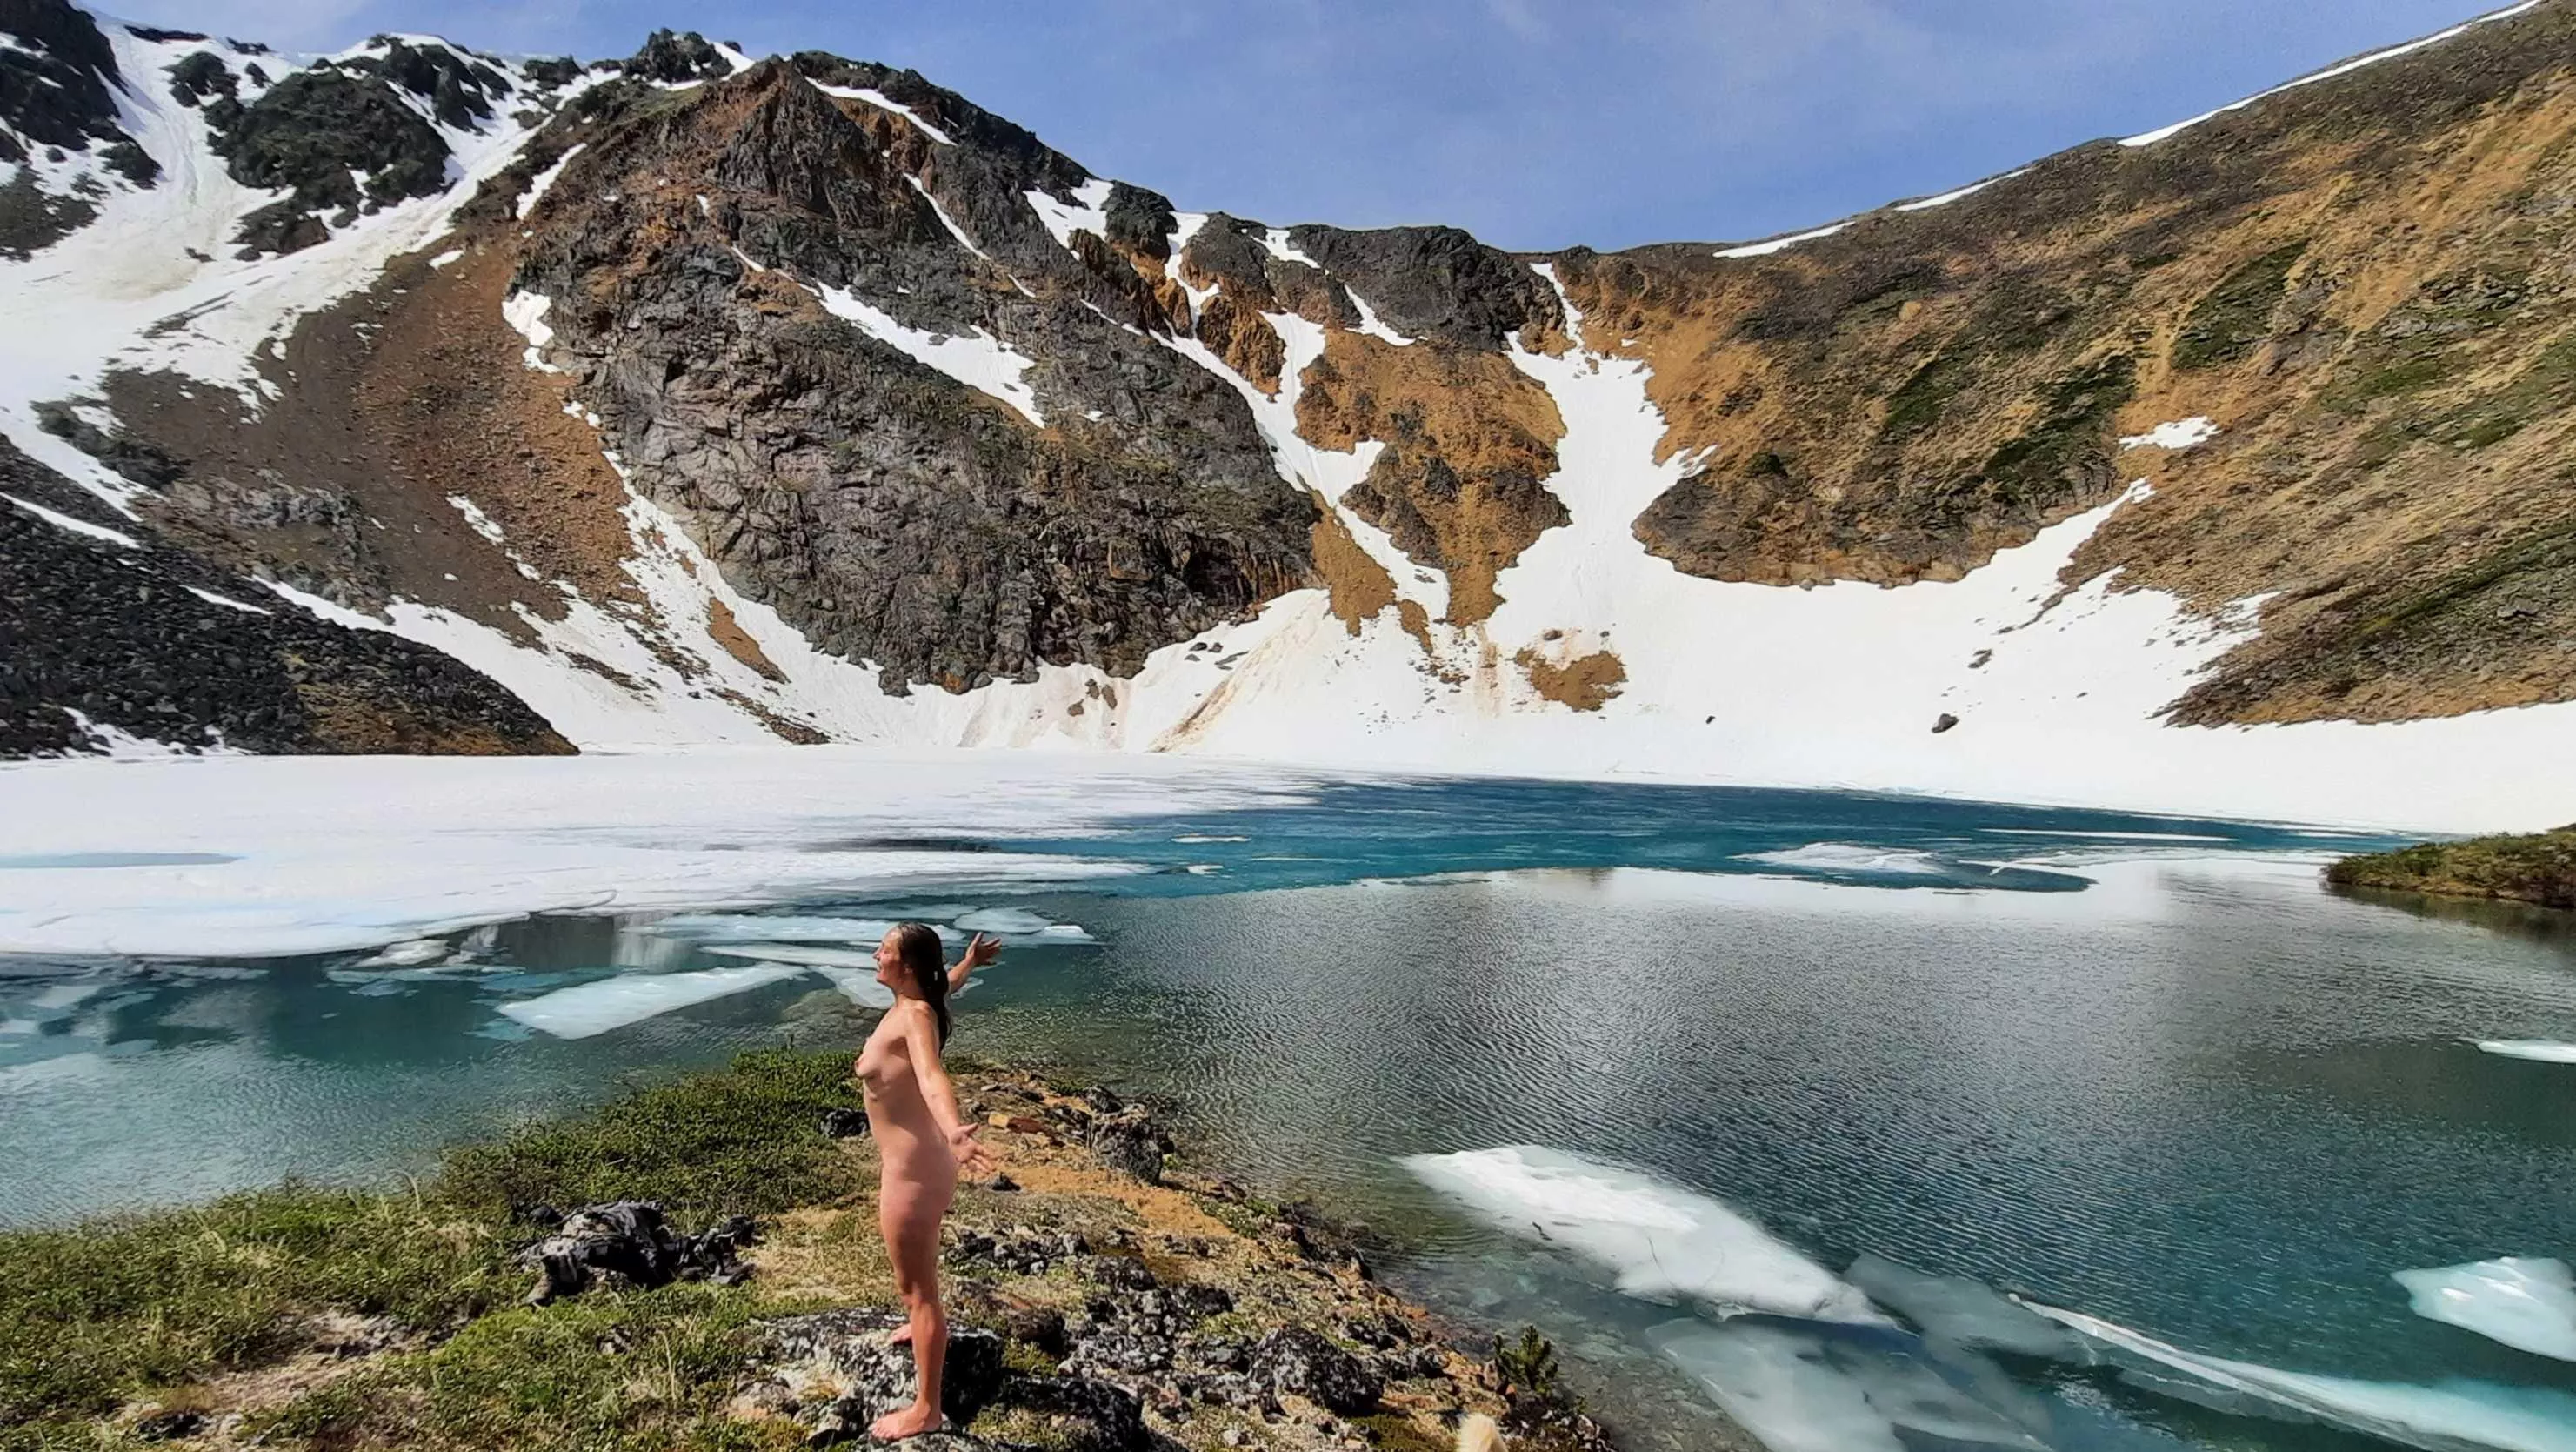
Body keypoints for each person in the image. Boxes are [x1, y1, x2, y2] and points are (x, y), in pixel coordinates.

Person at [854, 921, 1002, 1441]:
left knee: (918, 1292)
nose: (876, 954)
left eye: (885, 951)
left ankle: (926, 1409)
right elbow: (945, 987)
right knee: (915, 1284)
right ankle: (923, 1326)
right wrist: (969, 964)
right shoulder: (919, 1000)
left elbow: (932, 1075)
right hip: (916, 1167)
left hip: (915, 1173)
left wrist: (954, 1131)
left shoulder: (915, 1016)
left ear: (908, 967)